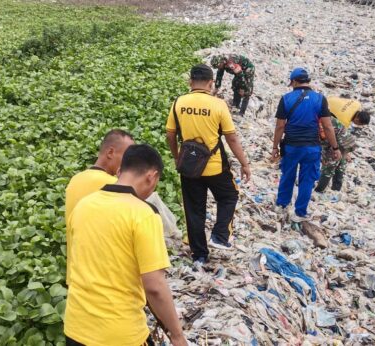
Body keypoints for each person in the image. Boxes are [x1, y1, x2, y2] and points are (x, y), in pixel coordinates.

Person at [65, 144, 186, 346]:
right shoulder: (143, 214)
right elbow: (154, 286)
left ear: (120, 170)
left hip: (76, 327)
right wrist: (176, 334)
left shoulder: (83, 206)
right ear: (152, 177)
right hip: (119, 334)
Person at [166, 64, 251, 266]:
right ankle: (220, 235)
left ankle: (200, 256)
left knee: (194, 210)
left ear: (190, 82)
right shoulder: (218, 104)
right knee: (229, 195)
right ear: (211, 83)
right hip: (214, 166)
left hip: (189, 167)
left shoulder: (179, 103)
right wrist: (244, 164)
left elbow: (170, 134)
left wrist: (177, 156)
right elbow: (231, 138)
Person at [64, 129, 134, 286]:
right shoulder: (113, 185)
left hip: (76, 275)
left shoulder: (75, 180)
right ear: (110, 152)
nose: (130, 164)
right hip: (104, 279)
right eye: (127, 157)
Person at [271, 68, 341, 222]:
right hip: (311, 147)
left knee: (287, 175)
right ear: (308, 81)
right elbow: (328, 126)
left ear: (294, 82)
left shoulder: (286, 99)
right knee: (307, 179)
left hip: (291, 146)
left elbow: (280, 126)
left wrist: (275, 147)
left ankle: (281, 205)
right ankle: (300, 213)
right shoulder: (320, 99)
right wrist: (335, 147)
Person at [316, 98, 371, 193]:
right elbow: (333, 135)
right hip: (324, 124)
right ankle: (320, 190)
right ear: (357, 119)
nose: (358, 126)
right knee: (331, 165)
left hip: (328, 101)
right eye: (359, 124)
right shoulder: (342, 121)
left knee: (340, 162)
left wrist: (344, 153)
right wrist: (336, 150)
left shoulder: (356, 104)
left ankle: (335, 189)